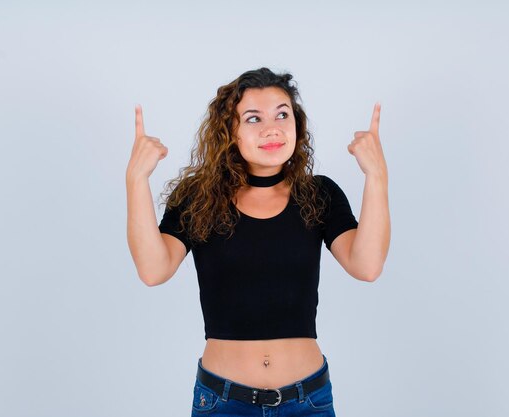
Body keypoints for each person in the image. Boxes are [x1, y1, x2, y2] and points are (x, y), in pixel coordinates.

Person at [126, 67, 390, 416]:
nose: (272, 128)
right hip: (222, 402)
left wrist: (377, 175)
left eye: (283, 114)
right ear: (229, 132)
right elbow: (153, 270)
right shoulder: (197, 198)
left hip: (307, 401)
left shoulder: (318, 194)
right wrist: (136, 179)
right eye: (253, 118)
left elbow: (367, 266)